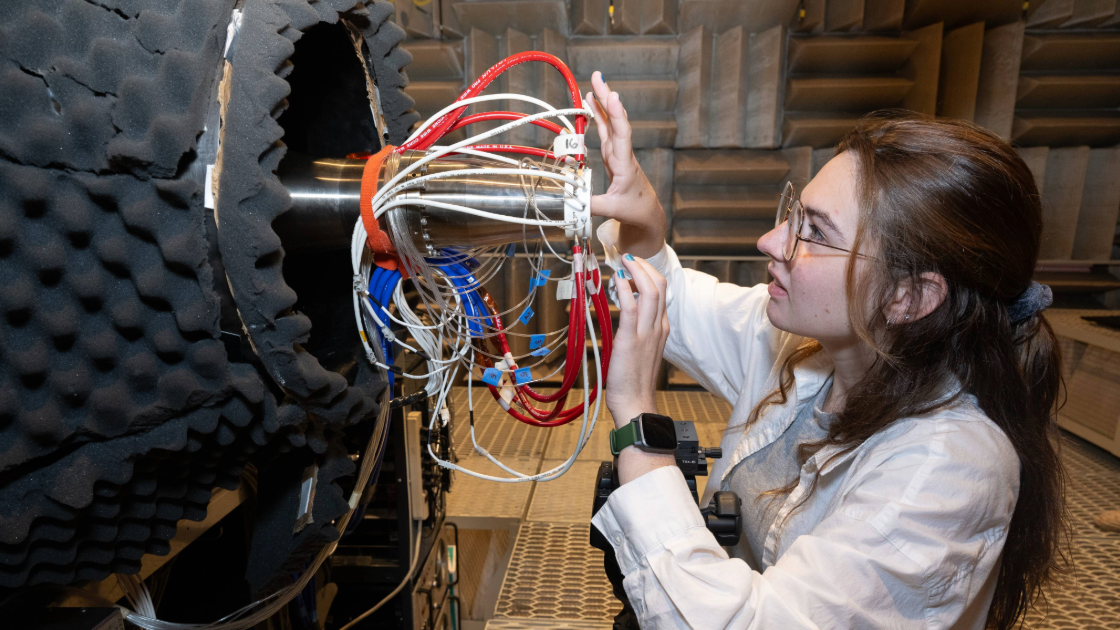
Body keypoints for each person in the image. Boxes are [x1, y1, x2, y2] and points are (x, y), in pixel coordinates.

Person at [584, 70, 1068, 630]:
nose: (770, 242)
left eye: (812, 232)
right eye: (793, 213)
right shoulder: (811, 349)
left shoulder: (951, 468)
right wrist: (641, 213)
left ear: (909, 296)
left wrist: (639, 426)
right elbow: (673, 301)